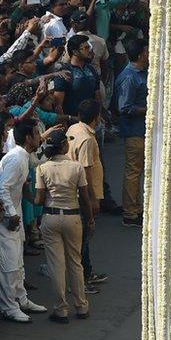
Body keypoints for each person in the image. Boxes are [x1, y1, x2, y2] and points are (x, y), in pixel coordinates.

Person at [0, 120, 47, 323]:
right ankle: (9, 307)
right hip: (5, 221)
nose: (40, 137)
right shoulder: (15, 158)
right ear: (27, 138)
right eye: (37, 134)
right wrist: (11, 213)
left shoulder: (23, 157)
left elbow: (35, 162)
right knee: (8, 266)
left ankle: (21, 300)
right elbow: (1, 187)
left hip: (15, 218)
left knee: (18, 264)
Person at [34, 131, 91, 323]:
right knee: (75, 262)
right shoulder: (76, 168)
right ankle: (81, 306)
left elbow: (40, 199)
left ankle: (61, 309)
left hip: (50, 216)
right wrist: (89, 219)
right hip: (72, 216)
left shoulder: (43, 168)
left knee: (56, 265)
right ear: (63, 146)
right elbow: (84, 197)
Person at [67, 100, 108, 290]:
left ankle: (87, 272)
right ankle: (80, 280)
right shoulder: (87, 139)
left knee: (82, 238)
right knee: (83, 237)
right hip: (81, 194)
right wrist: (92, 199)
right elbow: (86, 170)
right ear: (96, 117)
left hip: (72, 190)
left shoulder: (74, 128)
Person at [115, 38, 148, 227]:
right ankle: (130, 212)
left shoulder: (140, 73)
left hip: (141, 129)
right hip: (134, 130)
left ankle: (136, 208)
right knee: (133, 172)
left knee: (137, 171)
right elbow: (124, 107)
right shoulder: (129, 77)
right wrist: (148, 108)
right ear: (142, 54)